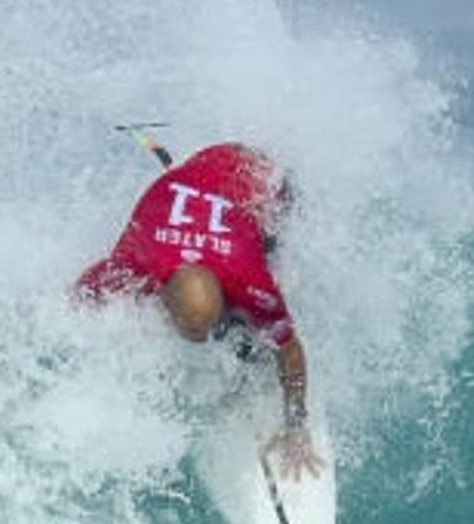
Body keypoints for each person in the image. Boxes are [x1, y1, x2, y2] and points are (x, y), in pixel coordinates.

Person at [77, 141, 325, 477]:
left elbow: (290, 348)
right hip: (200, 169)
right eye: (191, 331)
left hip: (261, 176)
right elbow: (79, 299)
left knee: (261, 317)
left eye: (206, 328)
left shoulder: (248, 275)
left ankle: (248, 350)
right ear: (162, 293)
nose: (200, 338)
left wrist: (296, 426)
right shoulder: (134, 260)